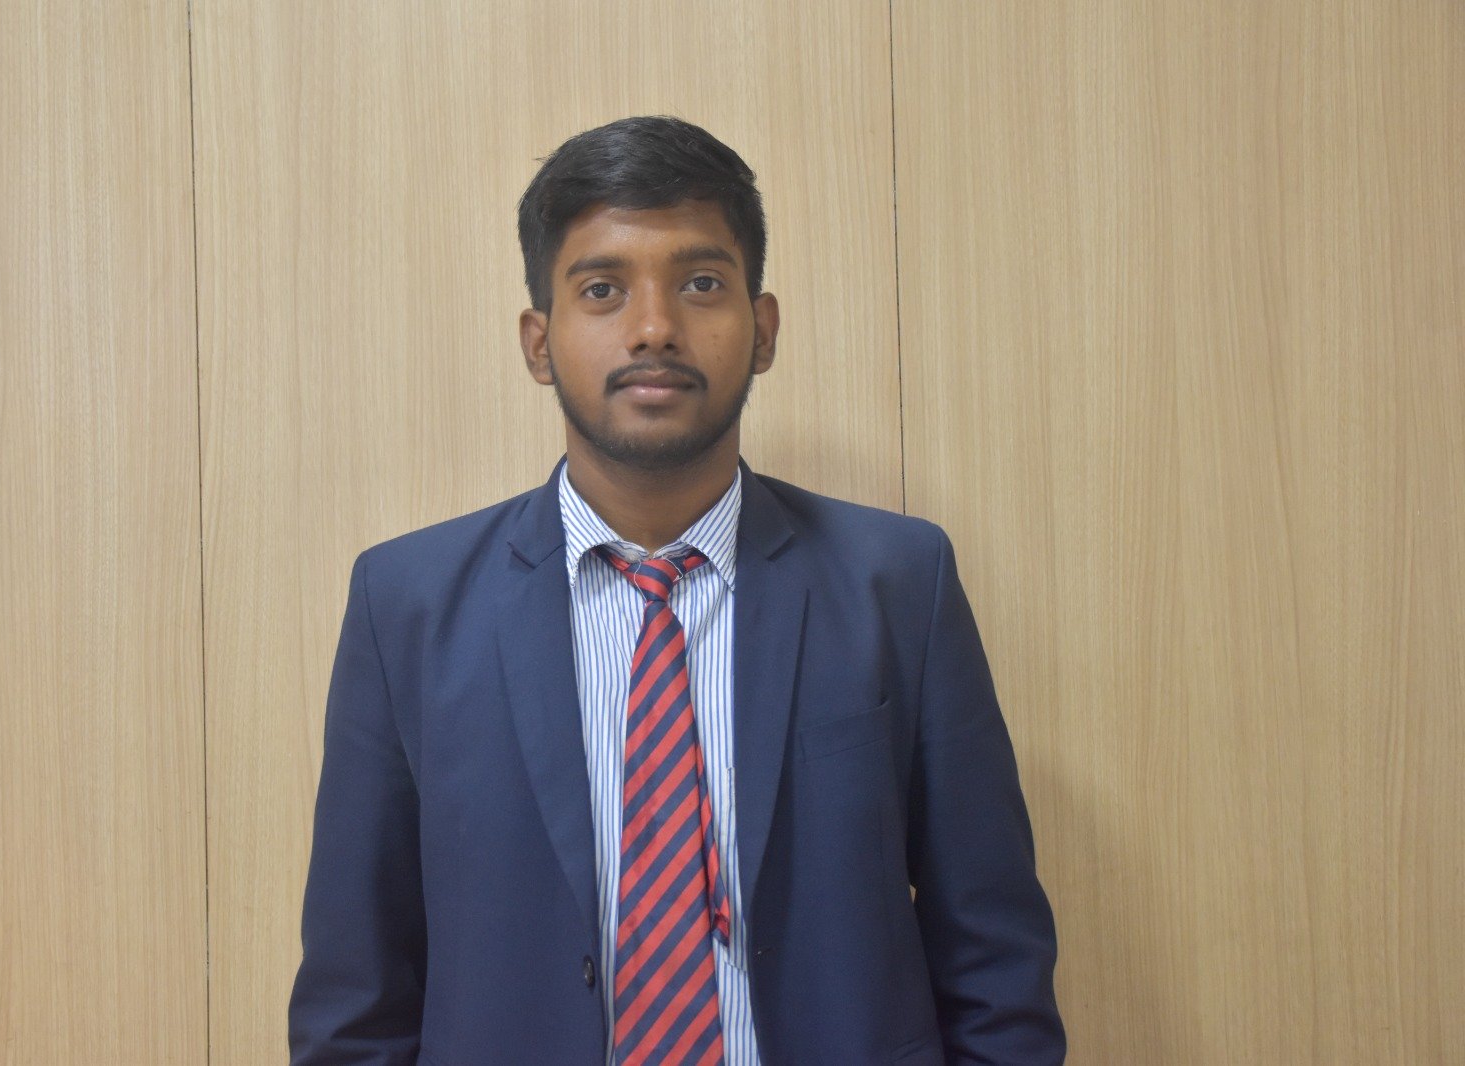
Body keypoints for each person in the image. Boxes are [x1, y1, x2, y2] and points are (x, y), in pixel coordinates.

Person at [288, 115, 1065, 1065]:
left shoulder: (898, 585)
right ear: (539, 343)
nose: (654, 327)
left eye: (700, 283)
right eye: (602, 290)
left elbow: (994, 961)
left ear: (763, 330)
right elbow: (356, 996)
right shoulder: (407, 606)